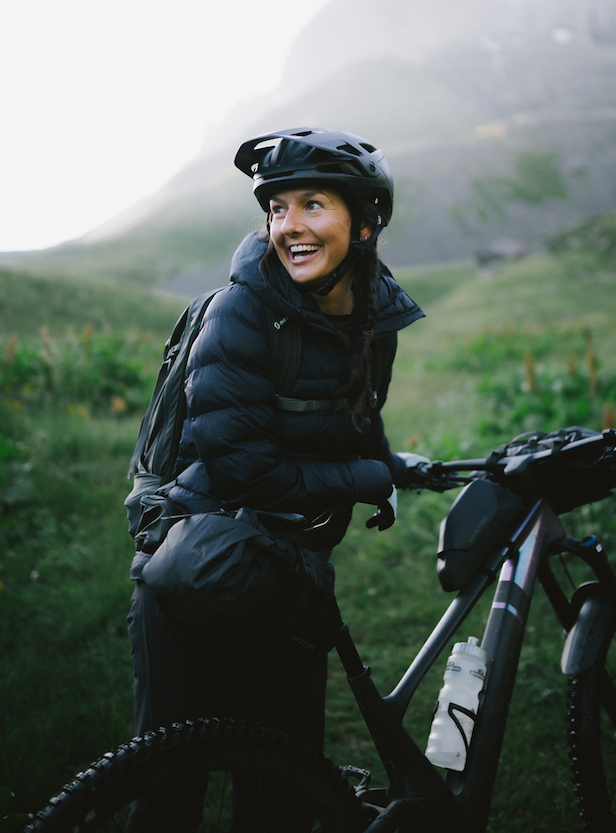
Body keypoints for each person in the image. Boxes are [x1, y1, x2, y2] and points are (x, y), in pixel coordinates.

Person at [126, 127, 440, 831]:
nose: (287, 227)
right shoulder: (241, 313)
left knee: (282, 800)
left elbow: (358, 425)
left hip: (290, 581)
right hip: (195, 573)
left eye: (310, 205)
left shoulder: (372, 322)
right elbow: (245, 470)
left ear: (363, 223)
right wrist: (367, 479)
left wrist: (395, 468)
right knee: (169, 792)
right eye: (275, 209)